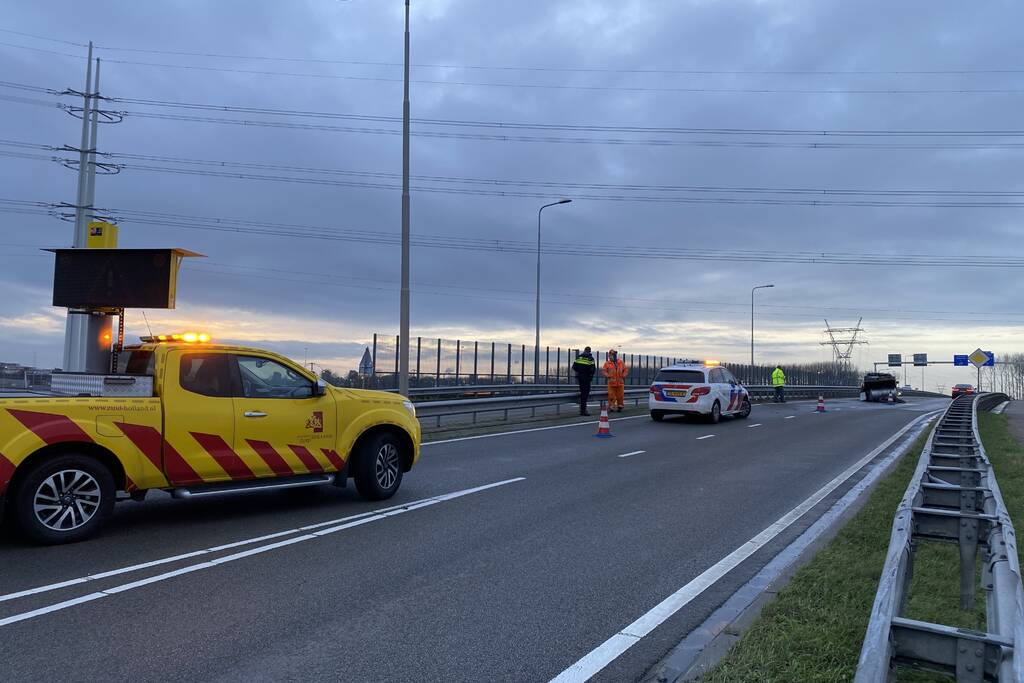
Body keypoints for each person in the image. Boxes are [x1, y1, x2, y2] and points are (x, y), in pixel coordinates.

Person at [572, 347, 597, 415]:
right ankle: (583, 410)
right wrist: (588, 374)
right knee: (585, 394)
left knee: (582, 393)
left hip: (580, 378)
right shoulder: (590, 358)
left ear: (584, 350)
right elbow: (593, 369)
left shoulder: (579, 357)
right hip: (587, 378)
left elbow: (574, 367)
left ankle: (582, 409)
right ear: (589, 351)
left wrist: (580, 372)